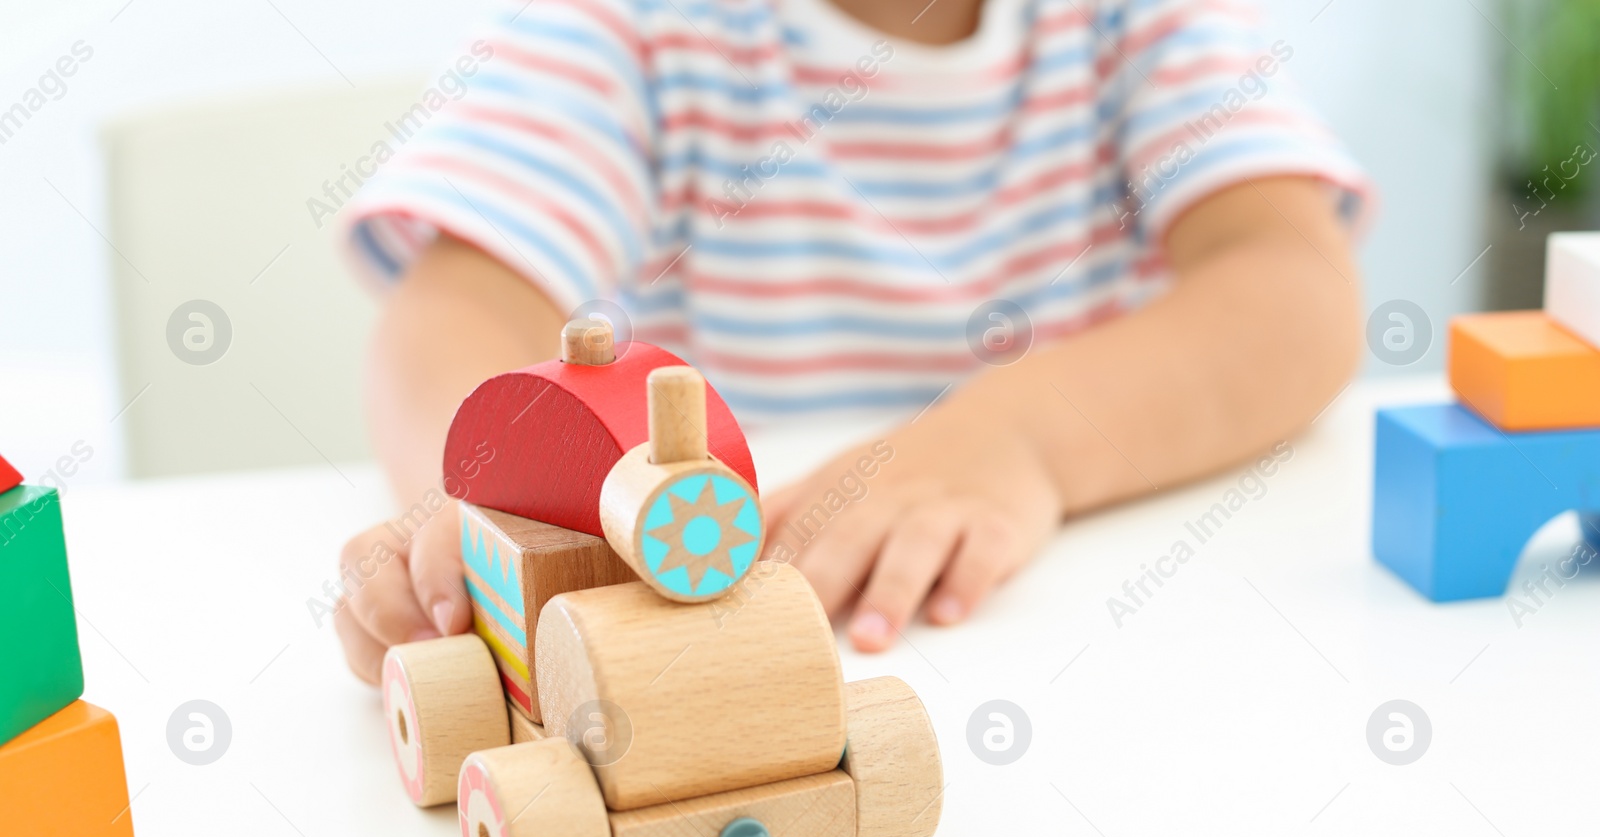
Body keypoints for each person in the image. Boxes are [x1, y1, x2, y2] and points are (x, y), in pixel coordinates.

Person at [331, 0, 1368, 683]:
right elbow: (453, 309)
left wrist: (1019, 439)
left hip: (1076, 643)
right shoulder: (628, 28)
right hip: (729, 632)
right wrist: (495, 514)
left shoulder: (1131, 21)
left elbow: (1291, 289)